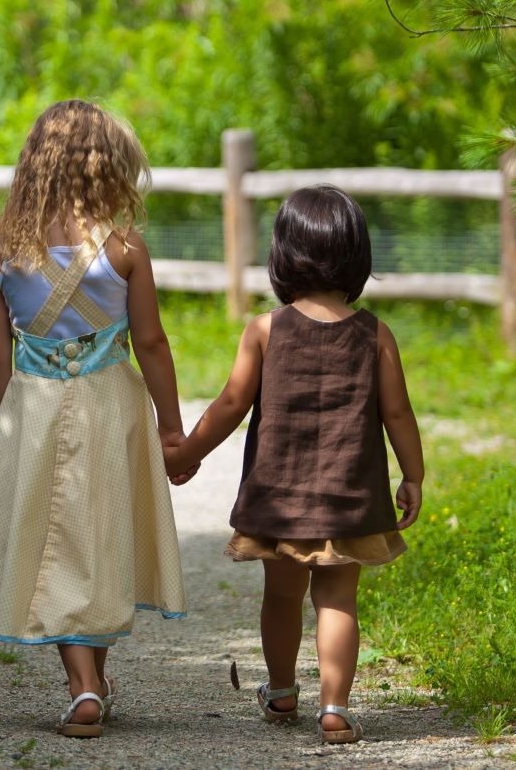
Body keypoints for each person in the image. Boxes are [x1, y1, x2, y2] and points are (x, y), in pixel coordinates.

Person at [0, 100, 189, 739]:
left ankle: (86, 683)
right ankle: (89, 683)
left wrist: (8, 420)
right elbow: (153, 343)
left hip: (38, 404)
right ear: (108, 166)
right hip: (112, 404)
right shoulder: (125, 246)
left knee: (56, 541)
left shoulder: (1, 249)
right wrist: (170, 422)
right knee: (97, 535)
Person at [162, 184, 424, 743]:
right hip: (350, 496)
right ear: (357, 255)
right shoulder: (376, 334)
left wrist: (187, 453)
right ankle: (336, 708)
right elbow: (398, 413)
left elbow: (231, 404)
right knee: (337, 598)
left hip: (278, 498)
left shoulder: (265, 330)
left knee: (281, 596)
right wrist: (413, 475)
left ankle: (281, 694)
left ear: (282, 255)